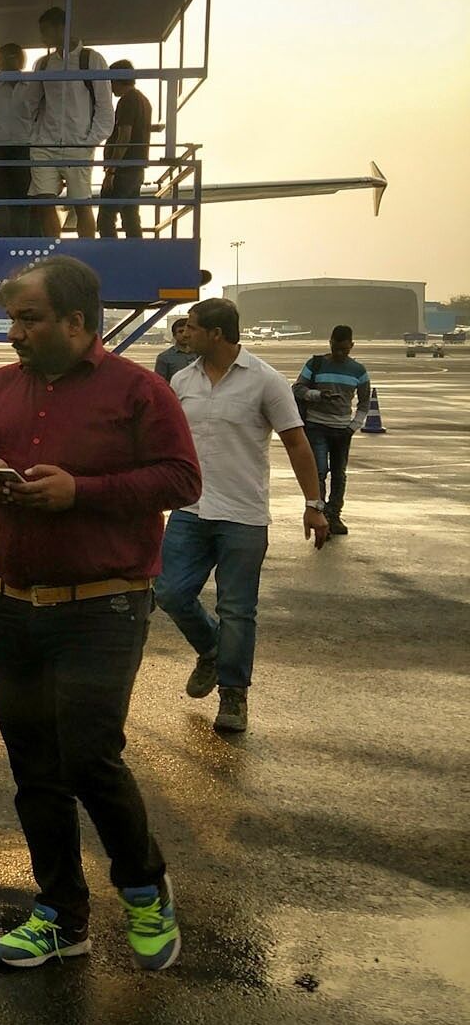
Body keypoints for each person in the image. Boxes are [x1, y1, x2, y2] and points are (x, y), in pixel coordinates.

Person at [0, 254, 199, 971]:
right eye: (13, 318)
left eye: (29, 318)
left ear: (76, 322)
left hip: (103, 607)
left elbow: (182, 478)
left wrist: (78, 492)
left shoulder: (138, 391)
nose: (14, 332)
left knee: (88, 756)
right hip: (13, 609)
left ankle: (144, 886)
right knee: (35, 769)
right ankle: (61, 914)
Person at [156, 299, 329, 733]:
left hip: (243, 514)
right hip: (190, 510)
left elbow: (296, 443)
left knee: (237, 609)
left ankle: (234, 695)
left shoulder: (266, 381)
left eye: (193, 328)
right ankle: (213, 650)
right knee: (170, 593)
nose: (185, 333)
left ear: (215, 334)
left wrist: (314, 505)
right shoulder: (181, 379)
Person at [30, 7, 113, 239]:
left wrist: (89, 141)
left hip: (79, 142)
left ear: (61, 28)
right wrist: (33, 137)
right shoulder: (43, 64)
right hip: (45, 143)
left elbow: (105, 107)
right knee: (44, 201)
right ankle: (54, 251)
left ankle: (85, 253)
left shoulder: (91, 59)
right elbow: (31, 103)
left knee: (81, 202)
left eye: (46, 31)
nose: (42, 38)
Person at [295, 325, 369, 537]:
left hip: (342, 430)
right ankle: (320, 513)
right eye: (335, 348)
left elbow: (365, 403)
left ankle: (334, 513)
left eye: (344, 350)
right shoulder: (315, 363)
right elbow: (298, 388)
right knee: (319, 472)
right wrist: (318, 395)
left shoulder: (359, 371)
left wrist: (353, 426)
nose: (339, 354)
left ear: (351, 346)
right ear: (330, 343)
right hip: (316, 425)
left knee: (339, 474)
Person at [0, 41, 39, 237]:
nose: (7, 62)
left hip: (24, 148)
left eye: (12, 57)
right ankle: (2, 240)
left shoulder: (32, 88)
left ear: (21, 61)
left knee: (23, 198)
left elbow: (39, 118)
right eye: (4, 59)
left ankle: (21, 241)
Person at [98, 59, 151, 239]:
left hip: (123, 169)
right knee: (130, 217)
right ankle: (136, 255)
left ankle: (110, 256)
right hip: (136, 168)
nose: (109, 87)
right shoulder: (143, 100)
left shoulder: (127, 101)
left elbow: (124, 136)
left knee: (106, 217)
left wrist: (112, 170)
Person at [153, 317, 196, 383]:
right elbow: (160, 384)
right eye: (181, 331)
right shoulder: (165, 358)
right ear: (174, 335)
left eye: (187, 331)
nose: (185, 334)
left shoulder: (202, 354)